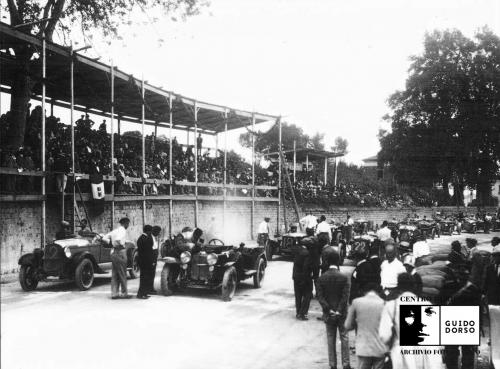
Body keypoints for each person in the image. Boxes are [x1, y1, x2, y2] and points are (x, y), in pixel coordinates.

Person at [379, 273, 444, 369]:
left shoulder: (391, 306)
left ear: (399, 287)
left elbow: (384, 336)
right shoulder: (427, 304)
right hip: (427, 353)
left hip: (403, 354)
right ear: (414, 287)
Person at [316, 251, 350, 369]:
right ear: (338, 261)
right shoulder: (344, 277)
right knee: (344, 337)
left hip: (328, 313)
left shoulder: (321, 278)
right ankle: (346, 364)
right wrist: (339, 310)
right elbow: (345, 297)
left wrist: (329, 309)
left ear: (327, 262)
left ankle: (332, 365)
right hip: (342, 314)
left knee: (331, 338)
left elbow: (320, 297)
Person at [345, 282, 388, 369]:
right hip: (380, 348)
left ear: (364, 291)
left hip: (363, 347)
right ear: (378, 292)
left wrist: (358, 322)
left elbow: (348, 326)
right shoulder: (384, 304)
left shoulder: (356, 302)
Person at [103, 217, 132, 299]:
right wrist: (121, 244)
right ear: (126, 223)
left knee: (115, 274)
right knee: (122, 273)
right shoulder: (123, 230)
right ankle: (124, 293)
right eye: (128, 224)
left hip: (113, 252)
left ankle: (114, 293)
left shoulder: (115, 230)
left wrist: (111, 244)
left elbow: (104, 238)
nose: (128, 225)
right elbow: (118, 240)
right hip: (120, 252)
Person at [292, 239, 313, 320]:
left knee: (298, 296)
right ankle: (303, 313)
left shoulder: (297, 251)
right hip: (304, 277)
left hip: (296, 277)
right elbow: (306, 267)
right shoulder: (307, 254)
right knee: (307, 295)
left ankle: (298, 313)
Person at [137, 225, 154, 299]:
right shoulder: (145, 239)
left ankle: (143, 293)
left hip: (142, 261)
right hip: (145, 262)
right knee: (145, 278)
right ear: (148, 231)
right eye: (151, 231)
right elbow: (148, 252)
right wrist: (151, 261)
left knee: (143, 278)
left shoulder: (141, 238)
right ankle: (142, 294)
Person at [150, 225, 161, 295]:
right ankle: (150, 289)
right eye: (158, 232)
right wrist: (153, 261)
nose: (159, 234)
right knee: (150, 275)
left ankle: (151, 288)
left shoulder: (153, 237)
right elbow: (152, 250)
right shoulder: (150, 238)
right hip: (152, 260)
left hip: (154, 259)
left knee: (152, 274)